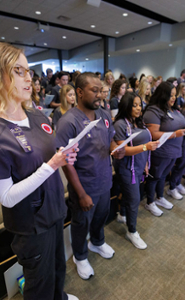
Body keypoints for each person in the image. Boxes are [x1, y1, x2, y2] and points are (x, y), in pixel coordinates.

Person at [0, 42, 79, 300]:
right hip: (31, 226)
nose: (29, 78)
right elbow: (7, 196)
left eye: (28, 71)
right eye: (19, 71)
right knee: (38, 284)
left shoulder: (37, 116)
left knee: (58, 267)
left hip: (53, 210)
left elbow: (49, 156)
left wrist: (64, 156)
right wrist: (52, 165)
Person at [55, 72, 125, 280]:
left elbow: (110, 139)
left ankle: (97, 242)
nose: (100, 95)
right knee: (81, 222)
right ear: (79, 92)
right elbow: (66, 163)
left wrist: (117, 149)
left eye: (101, 91)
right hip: (84, 185)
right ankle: (80, 255)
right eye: (94, 91)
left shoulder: (103, 114)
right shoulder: (69, 122)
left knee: (102, 215)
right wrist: (81, 193)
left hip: (104, 178)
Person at [113, 92, 159, 249]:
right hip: (127, 167)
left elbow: (145, 141)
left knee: (130, 195)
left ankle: (122, 215)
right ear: (126, 106)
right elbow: (122, 150)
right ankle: (131, 232)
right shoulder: (119, 124)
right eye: (135, 105)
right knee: (134, 199)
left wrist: (145, 161)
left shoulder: (139, 122)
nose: (139, 108)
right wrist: (146, 147)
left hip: (139, 164)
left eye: (140, 104)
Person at [143, 82, 185, 217]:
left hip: (174, 149)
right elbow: (152, 134)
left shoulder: (172, 109)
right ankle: (150, 202)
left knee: (163, 175)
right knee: (155, 176)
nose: (174, 98)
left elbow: (179, 124)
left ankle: (159, 198)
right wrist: (176, 134)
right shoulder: (153, 110)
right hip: (161, 151)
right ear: (163, 95)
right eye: (171, 95)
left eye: (175, 95)